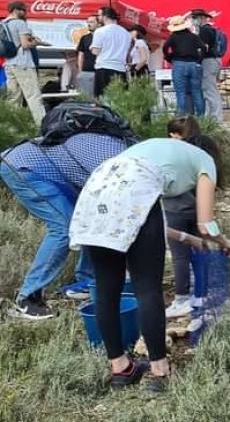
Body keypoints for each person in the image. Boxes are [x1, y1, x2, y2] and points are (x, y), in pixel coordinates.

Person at [70, 134, 230, 391]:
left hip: (95, 194)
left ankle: (121, 369)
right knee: (147, 289)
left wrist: (187, 239)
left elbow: (134, 218)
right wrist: (225, 242)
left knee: (106, 290)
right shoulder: (205, 161)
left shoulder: (155, 151)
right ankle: (160, 370)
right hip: (133, 194)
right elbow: (206, 224)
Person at [1, 121, 132, 319]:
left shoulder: (118, 146)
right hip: (25, 168)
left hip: (46, 168)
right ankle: (28, 298)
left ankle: (87, 283)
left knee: (91, 217)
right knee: (63, 227)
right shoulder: (117, 160)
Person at [162, 116, 203, 319]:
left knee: (180, 257)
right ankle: (201, 293)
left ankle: (181, 299)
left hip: (174, 210)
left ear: (173, 135)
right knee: (199, 251)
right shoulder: (199, 153)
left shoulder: (167, 155)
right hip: (196, 208)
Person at [3, 1, 49, 121]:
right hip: (23, 63)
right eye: (24, 10)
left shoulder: (3, 23)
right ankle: (42, 125)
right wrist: (38, 42)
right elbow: (25, 44)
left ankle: (12, 126)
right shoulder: (20, 23)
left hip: (9, 62)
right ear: (16, 10)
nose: (25, 13)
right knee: (33, 96)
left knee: (13, 97)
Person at [162, 14, 205, 117]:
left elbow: (165, 48)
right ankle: (202, 118)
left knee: (181, 93)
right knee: (197, 92)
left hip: (179, 64)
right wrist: (199, 60)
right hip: (193, 64)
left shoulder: (173, 37)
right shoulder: (193, 36)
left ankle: (183, 117)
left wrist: (169, 58)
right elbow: (203, 48)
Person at [193, 10, 227, 124]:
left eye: (194, 17)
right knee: (210, 89)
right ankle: (211, 116)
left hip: (208, 61)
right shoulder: (212, 30)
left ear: (201, 18)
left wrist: (197, 60)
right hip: (215, 60)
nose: (193, 20)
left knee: (210, 90)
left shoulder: (204, 31)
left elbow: (204, 48)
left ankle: (216, 118)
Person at [89, 7, 131, 97]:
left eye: (99, 15)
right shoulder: (126, 33)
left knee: (102, 100)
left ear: (105, 16)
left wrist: (91, 47)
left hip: (104, 68)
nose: (98, 18)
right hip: (120, 69)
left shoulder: (100, 31)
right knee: (120, 100)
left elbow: (95, 51)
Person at [75, 15, 100, 100]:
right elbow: (80, 54)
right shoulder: (85, 38)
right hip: (87, 70)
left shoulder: (102, 36)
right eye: (88, 22)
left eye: (92, 22)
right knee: (86, 96)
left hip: (100, 70)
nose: (89, 24)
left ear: (99, 24)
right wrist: (80, 71)